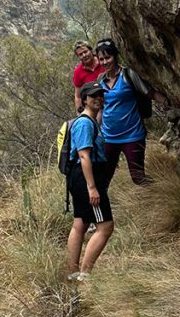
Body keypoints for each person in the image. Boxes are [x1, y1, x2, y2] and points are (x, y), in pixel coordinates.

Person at [94, 38, 169, 185]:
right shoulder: (101, 79)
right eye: (101, 59)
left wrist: (167, 102)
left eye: (107, 57)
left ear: (115, 56)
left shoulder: (128, 75)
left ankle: (161, 192)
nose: (105, 62)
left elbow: (150, 93)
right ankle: (101, 208)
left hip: (132, 135)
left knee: (138, 178)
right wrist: (97, 131)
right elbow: (101, 108)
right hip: (109, 137)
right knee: (103, 179)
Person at [66, 81, 114, 281]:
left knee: (81, 223)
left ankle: (72, 272)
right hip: (87, 178)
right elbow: (84, 156)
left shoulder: (90, 121)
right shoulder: (85, 123)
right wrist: (92, 187)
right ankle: (84, 275)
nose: (98, 98)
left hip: (80, 178)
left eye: (100, 95)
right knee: (105, 226)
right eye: (93, 95)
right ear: (84, 99)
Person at [72, 41, 101, 113]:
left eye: (85, 51)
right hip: (95, 108)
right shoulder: (78, 72)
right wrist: (80, 114)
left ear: (91, 50)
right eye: (80, 54)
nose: (84, 55)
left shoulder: (103, 61)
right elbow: (78, 96)